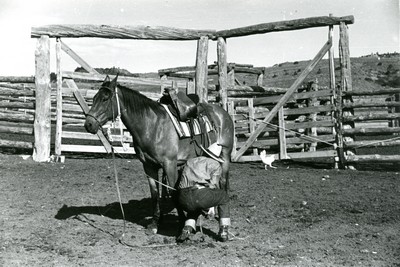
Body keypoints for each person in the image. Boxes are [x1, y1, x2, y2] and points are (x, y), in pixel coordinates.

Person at [176, 143, 231, 242]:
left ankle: (187, 228)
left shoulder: (190, 161)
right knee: (224, 197)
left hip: (182, 197)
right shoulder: (215, 165)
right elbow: (213, 186)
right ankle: (224, 231)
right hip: (199, 195)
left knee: (194, 206)